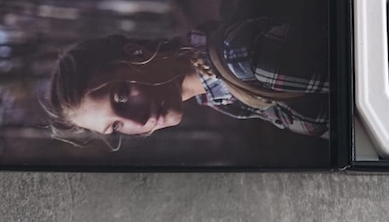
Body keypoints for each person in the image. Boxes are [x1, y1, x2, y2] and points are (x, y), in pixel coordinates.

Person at [43, 17, 331, 148]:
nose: (137, 121)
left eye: (120, 97)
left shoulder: (242, 59)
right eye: (116, 127)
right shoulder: (216, 95)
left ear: (136, 53)